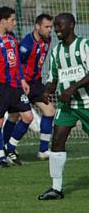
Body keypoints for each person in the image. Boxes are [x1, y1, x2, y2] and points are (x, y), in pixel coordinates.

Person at [37, 13, 89, 200]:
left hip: (87, 103)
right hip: (67, 106)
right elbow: (52, 79)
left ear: (72, 25)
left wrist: (72, 88)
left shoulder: (84, 46)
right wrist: (46, 91)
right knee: (57, 140)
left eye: (60, 25)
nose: (57, 29)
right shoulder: (56, 52)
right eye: (54, 26)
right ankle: (56, 188)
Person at [0, 6, 33, 168]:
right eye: (12, 20)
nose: (14, 23)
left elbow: (16, 62)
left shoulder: (12, 38)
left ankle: (10, 147)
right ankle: (0, 157)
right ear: (3, 21)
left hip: (15, 85)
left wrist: (23, 80)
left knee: (27, 116)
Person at [4, 14, 55, 160]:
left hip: (36, 83)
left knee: (49, 111)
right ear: (37, 26)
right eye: (46, 27)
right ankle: (8, 148)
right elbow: (16, 63)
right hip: (22, 84)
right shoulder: (26, 44)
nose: (49, 30)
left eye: (50, 27)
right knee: (15, 116)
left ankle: (44, 150)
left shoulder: (47, 40)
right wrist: (18, 82)